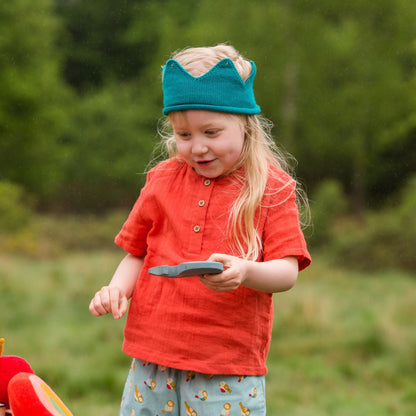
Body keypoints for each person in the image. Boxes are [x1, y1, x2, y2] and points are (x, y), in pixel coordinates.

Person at [89, 43, 311, 416]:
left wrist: (246, 272)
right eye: (184, 135)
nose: (198, 148)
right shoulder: (161, 180)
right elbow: (138, 252)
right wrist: (116, 289)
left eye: (211, 132)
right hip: (151, 360)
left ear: (245, 124)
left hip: (226, 366)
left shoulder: (271, 188)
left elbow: (286, 272)